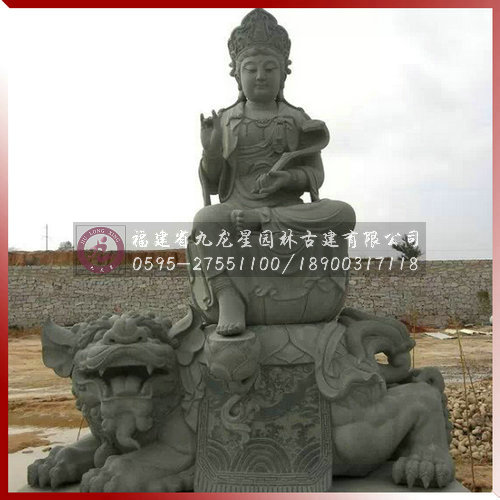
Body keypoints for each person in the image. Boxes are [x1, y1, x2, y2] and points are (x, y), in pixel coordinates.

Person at [188, 9, 355, 336]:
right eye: (251, 69)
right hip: (236, 211)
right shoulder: (225, 120)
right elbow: (214, 183)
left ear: (283, 74)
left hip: (287, 212)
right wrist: (211, 150)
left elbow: (315, 176)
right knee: (205, 220)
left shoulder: (297, 118)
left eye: (269, 68)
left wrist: (288, 179)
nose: (260, 76)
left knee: (343, 213)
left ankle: (264, 219)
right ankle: (227, 293)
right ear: (237, 75)